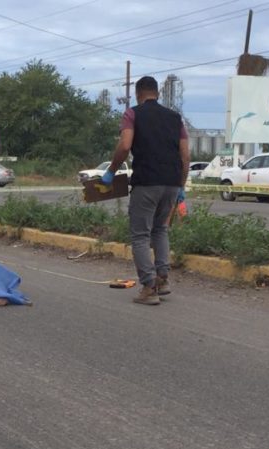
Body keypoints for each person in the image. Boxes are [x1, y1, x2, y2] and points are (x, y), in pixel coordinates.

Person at [101, 75, 190, 305]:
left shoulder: (132, 114)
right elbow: (185, 156)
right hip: (172, 183)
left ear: (138, 94)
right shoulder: (175, 118)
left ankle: (149, 287)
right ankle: (163, 279)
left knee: (140, 235)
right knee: (160, 230)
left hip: (147, 182)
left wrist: (111, 171)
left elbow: (125, 145)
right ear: (157, 93)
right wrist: (181, 186)